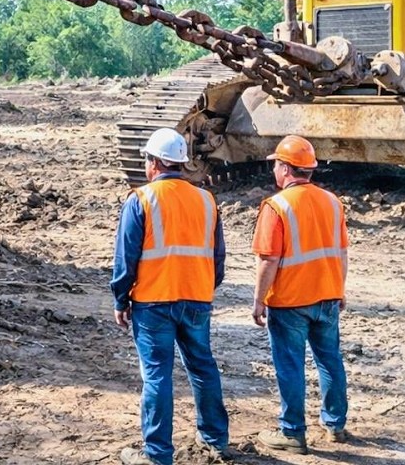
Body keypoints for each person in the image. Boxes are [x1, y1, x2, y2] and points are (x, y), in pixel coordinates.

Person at [111, 128, 229, 465]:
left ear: (155, 163)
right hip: (196, 298)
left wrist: (121, 299)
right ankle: (215, 440)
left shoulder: (142, 200)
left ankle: (158, 454)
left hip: (153, 302)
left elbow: (126, 259)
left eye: (146, 159)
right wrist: (205, 287)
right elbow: (217, 257)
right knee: (203, 368)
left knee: (157, 375)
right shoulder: (207, 200)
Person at [251, 135, 349, 455]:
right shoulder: (333, 202)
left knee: (290, 366)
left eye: (276, 165)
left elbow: (269, 259)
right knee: (330, 361)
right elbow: (342, 252)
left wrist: (258, 300)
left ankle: (292, 432)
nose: (274, 171)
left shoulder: (276, 206)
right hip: (327, 296)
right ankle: (335, 424)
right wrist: (339, 289)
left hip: (291, 302)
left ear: (285, 169)